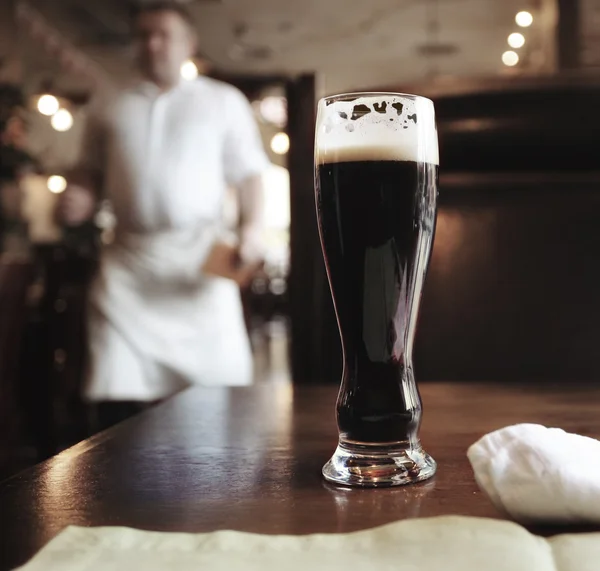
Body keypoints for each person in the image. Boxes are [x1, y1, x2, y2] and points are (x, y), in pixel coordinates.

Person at [57, 1, 270, 429]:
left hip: (199, 267)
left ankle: (207, 491)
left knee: (215, 401)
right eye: (143, 35)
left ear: (188, 43)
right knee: (118, 399)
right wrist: (76, 197)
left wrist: (253, 229)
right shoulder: (107, 103)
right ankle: (122, 491)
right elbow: (87, 173)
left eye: (163, 34)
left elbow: (251, 176)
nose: (152, 44)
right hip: (127, 271)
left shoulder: (222, 101)